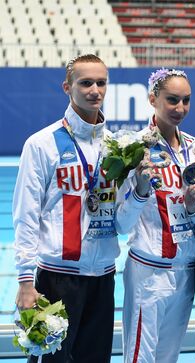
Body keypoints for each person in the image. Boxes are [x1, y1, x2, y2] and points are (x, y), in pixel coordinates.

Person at [13, 54, 118, 362]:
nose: (95, 90)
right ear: (67, 87)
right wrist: (25, 281)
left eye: (101, 83)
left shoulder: (115, 147)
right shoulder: (41, 144)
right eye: (85, 83)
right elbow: (25, 215)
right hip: (57, 278)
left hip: (104, 277)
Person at [114, 69, 195, 362]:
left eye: (186, 101)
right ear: (152, 99)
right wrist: (140, 191)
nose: (180, 109)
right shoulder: (132, 148)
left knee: (169, 356)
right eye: (172, 100)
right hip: (149, 272)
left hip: (186, 270)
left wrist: (194, 208)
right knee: (140, 356)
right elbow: (121, 224)